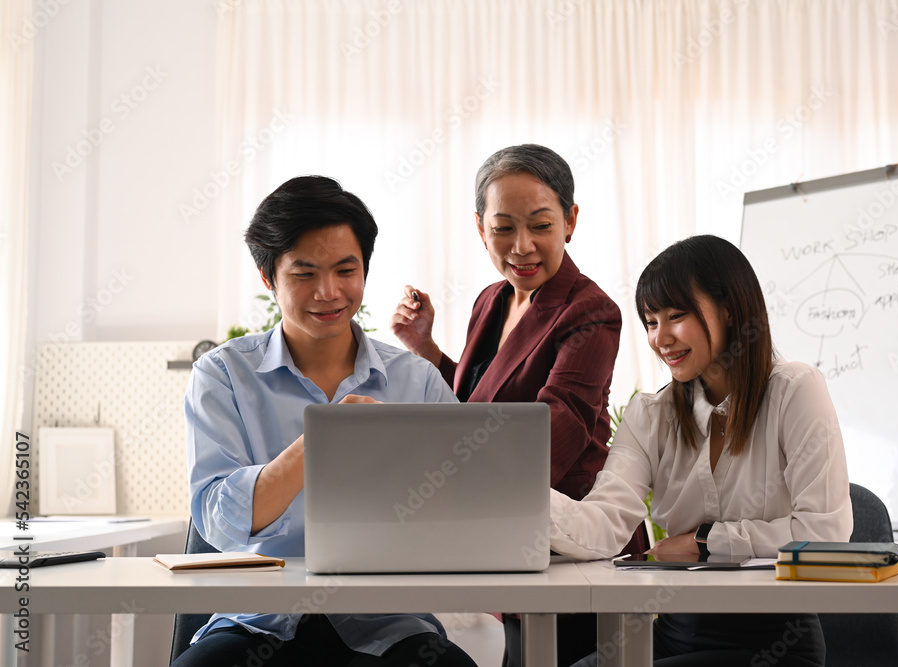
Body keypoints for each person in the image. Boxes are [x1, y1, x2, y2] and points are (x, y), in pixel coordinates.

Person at [178, 176, 477, 667]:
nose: (329, 292)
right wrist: (320, 442)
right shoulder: (224, 374)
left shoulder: (416, 380)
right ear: (267, 276)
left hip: (387, 621)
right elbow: (218, 517)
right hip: (258, 621)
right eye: (304, 274)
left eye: (346, 270)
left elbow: (469, 508)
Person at [391, 144, 645, 667]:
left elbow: (552, 434)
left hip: (577, 546)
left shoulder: (592, 312)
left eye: (540, 225)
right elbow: (476, 406)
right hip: (512, 539)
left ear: (571, 221)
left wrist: (430, 479)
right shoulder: (492, 299)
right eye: (503, 227)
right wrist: (428, 350)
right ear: (480, 227)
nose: (521, 246)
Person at [549, 235, 853, 667]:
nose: (661, 338)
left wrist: (707, 541)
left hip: (772, 643)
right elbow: (605, 522)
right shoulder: (649, 415)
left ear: (729, 310)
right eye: (651, 321)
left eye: (676, 315)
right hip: (672, 633)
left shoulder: (794, 391)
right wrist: (519, 498)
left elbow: (825, 535)